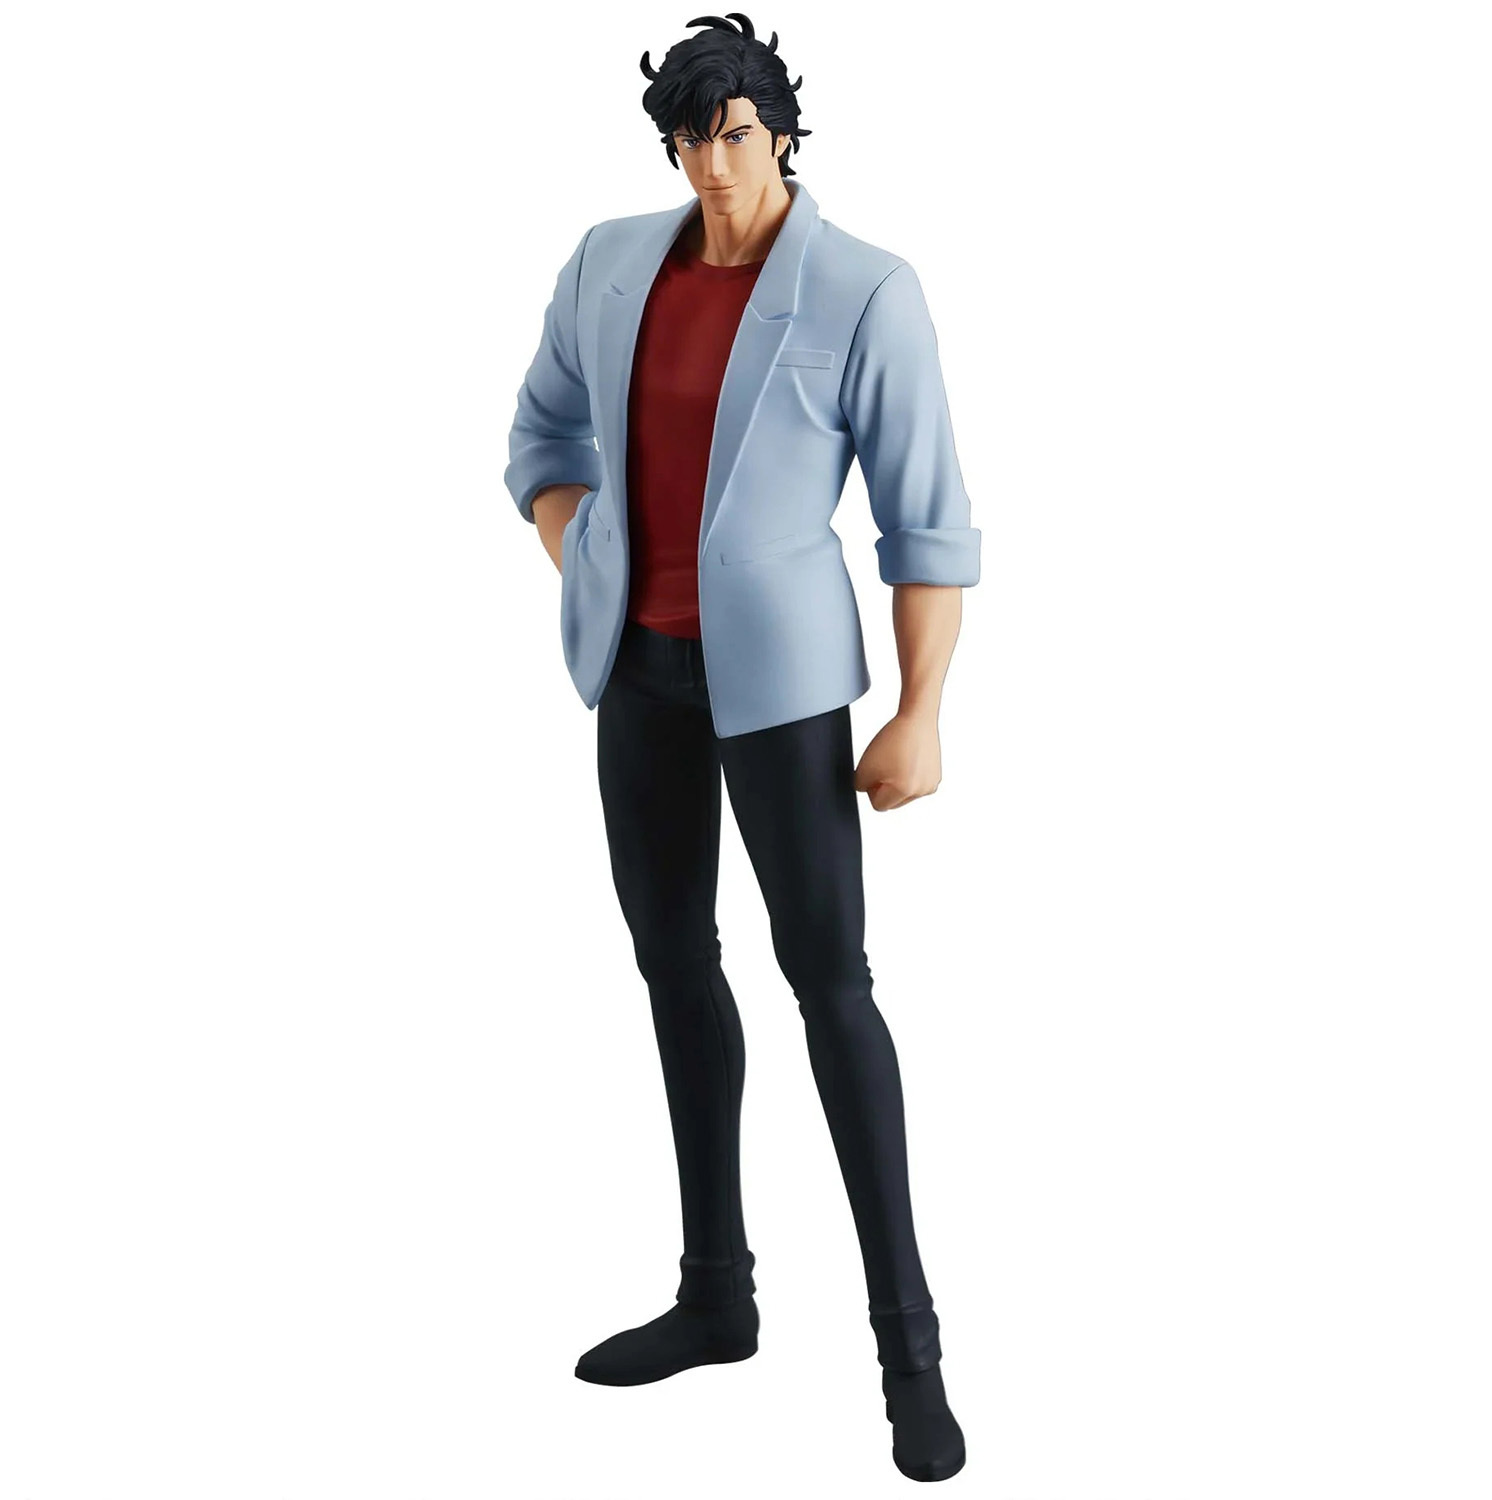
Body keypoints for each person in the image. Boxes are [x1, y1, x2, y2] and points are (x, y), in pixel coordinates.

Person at [504, 12, 980, 1483]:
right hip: (638, 680)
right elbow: (541, 437)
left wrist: (920, 709)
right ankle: (716, 1296)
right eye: (687, 138)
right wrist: (586, 559)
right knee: (672, 967)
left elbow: (927, 520)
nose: (712, 164)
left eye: (735, 134)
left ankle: (910, 1352)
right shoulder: (608, 262)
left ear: (779, 130)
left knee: (831, 986)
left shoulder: (864, 288)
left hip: (782, 691)